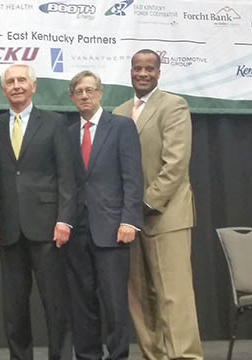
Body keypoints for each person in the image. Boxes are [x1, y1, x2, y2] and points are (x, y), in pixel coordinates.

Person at [114, 49, 203, 360]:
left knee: (173, 296)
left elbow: (176, 164)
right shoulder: (119, 112)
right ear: (130, 71)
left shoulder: (174, 106)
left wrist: (146, 202)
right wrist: (126, 211)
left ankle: (184, 356)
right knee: (139, 297)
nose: (142, 73)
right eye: (137, 68)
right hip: (129, 220)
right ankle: (154, 356)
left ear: (159, 72)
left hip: (165, 214)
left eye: (149, 68)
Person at [0, 64, 75, 360]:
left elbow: (67, 176)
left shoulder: (53, 123)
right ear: (3, 90)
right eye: (10, 82)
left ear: (33, 86)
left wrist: (64, 219)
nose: (16, 85)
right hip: (9, 229)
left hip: (48, 228)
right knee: (14, 308)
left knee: (55, 304)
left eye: (22, 80)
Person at [67, 70, 143, 360]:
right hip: (77, 230)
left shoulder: (121, 127)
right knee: (82, 302)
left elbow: (133, 178)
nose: (84, 96)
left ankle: (118, 355)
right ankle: (87, 355)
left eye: (90, 90)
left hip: (112, 229)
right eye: (79, 92)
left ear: (100, 93)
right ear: (72, 98)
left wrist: (129, 220)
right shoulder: (66, 133)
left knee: (113, 302)